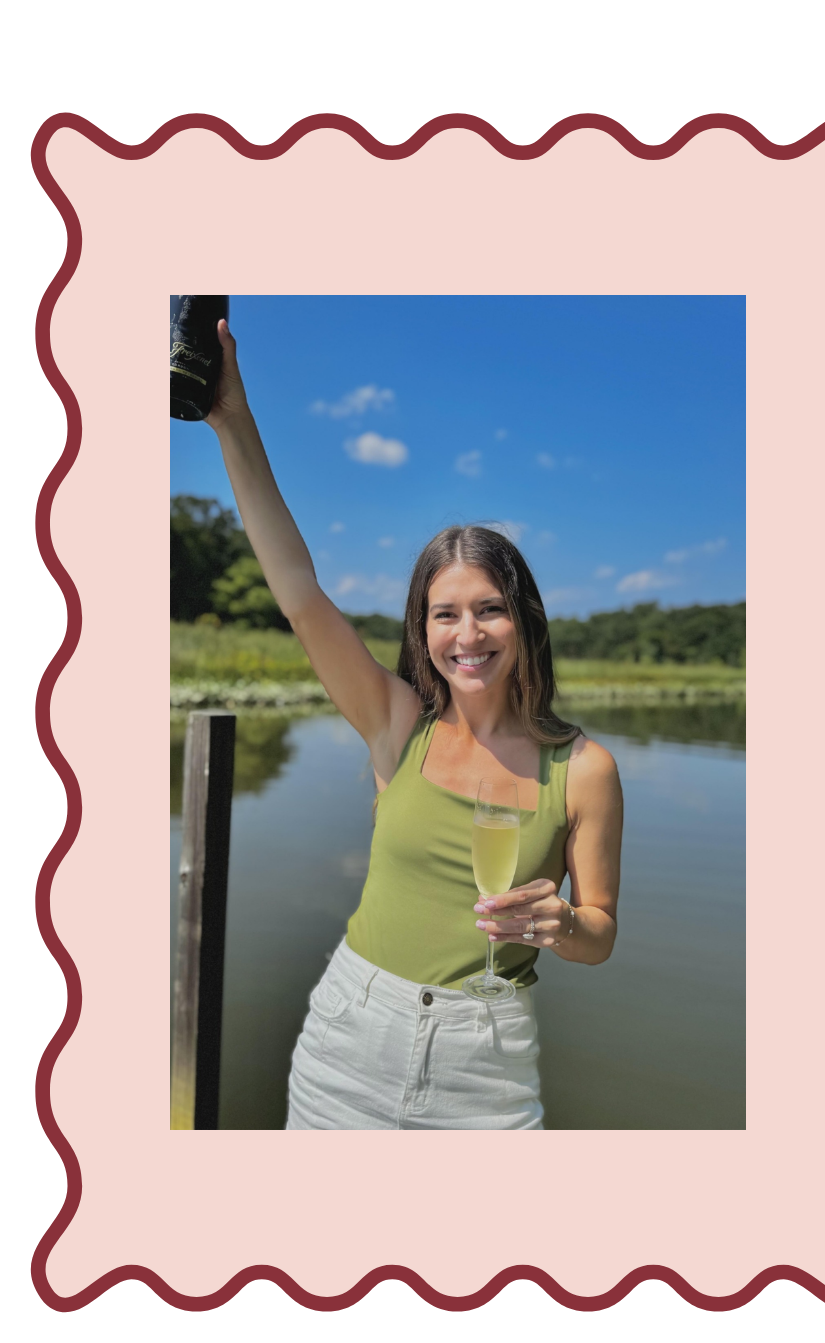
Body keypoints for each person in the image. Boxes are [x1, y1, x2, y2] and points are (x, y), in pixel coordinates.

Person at [204, 319, 624, 1129]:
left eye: (489, 609)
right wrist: (233, 420)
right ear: (422, 631)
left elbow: (600, 932)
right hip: (349, 1039)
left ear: (524, 621)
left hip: (486, 1062)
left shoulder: (584, 770)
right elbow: (298, 592)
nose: (468, 635)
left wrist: (565, 923)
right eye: (445, 614)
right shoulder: (397, 724)